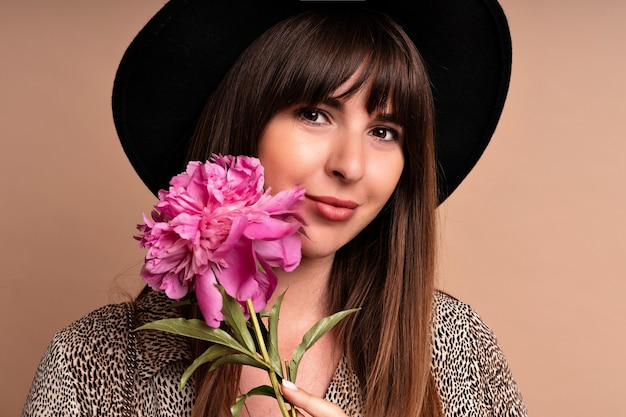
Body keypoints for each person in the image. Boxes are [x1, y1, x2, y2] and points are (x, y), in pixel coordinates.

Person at [22, 1, 528, 416]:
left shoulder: (456, 349)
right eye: (315, 114)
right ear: (244, 123)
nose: (350, 166)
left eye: (384, 131)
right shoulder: (94, 359)